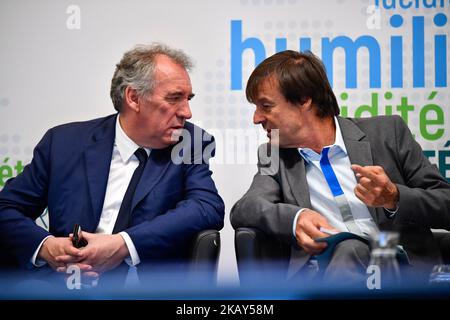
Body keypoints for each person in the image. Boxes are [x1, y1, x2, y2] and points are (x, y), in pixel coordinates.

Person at [0, 43, 224, 287]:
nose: (187, 112)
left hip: (145, 291)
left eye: (188, 99)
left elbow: (206, 206)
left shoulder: (191, 143)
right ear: (134, 98)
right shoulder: (63, 143)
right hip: (63, 287)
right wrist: (47, 247)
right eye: (174, 99)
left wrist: (124, 245)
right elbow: (6, 208)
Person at [230, 50, 450, 285]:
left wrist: (394, 198)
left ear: (304, 99)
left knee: (351, 249)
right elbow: (245, 208)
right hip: (325, 272)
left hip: (400, 268)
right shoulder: (274, 154)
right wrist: (296, 218)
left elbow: (445, 203)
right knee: (349, 249)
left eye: (265, 105)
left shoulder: (388, 133)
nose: (256, 118)